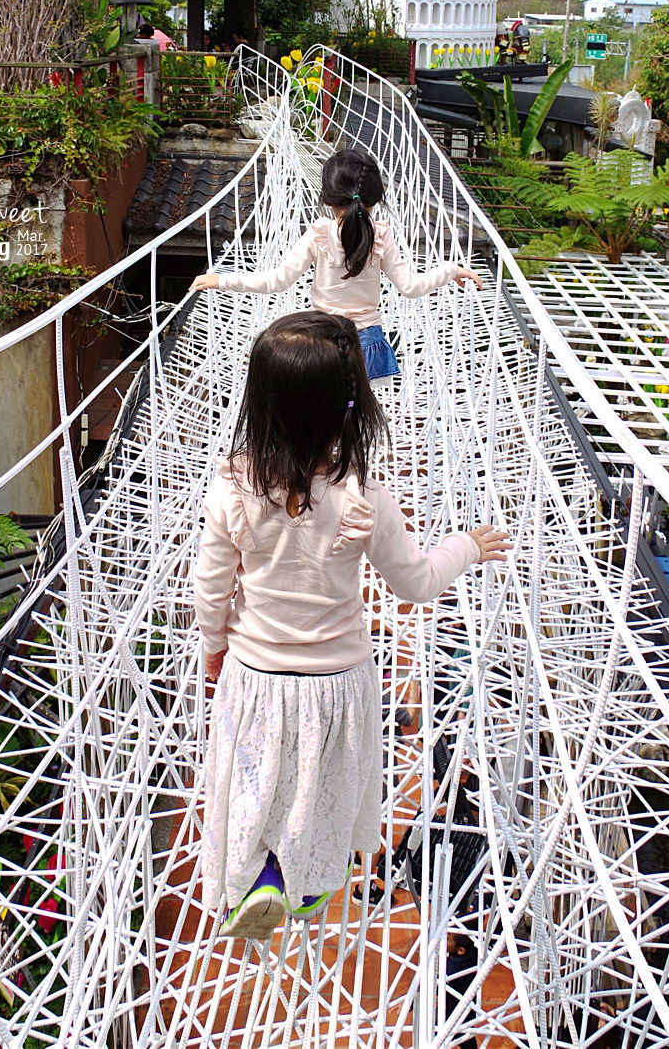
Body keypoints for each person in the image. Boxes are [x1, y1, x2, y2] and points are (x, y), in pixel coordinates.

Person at [195, 311, 509, 939]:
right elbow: (416, 581)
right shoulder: (362, 496)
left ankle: (260, 882)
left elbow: (211, 586)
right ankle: (306, 888)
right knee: (319, 786)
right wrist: (469, 545)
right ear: (347, 409)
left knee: (259, 779)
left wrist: (212, 647)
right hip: (338, 682)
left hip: (257, 674)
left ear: (260, 403)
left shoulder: (231, 487)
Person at [191, 148, 482, 381]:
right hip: (366, 347)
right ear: (374, 198)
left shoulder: (319, 233)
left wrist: (221, 280)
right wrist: (451, 270)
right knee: (354, 409)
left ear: (329, 199)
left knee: (323, 407)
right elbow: (411, 287)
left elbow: (277, 281)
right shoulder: (381, 236)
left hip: (322, 342)